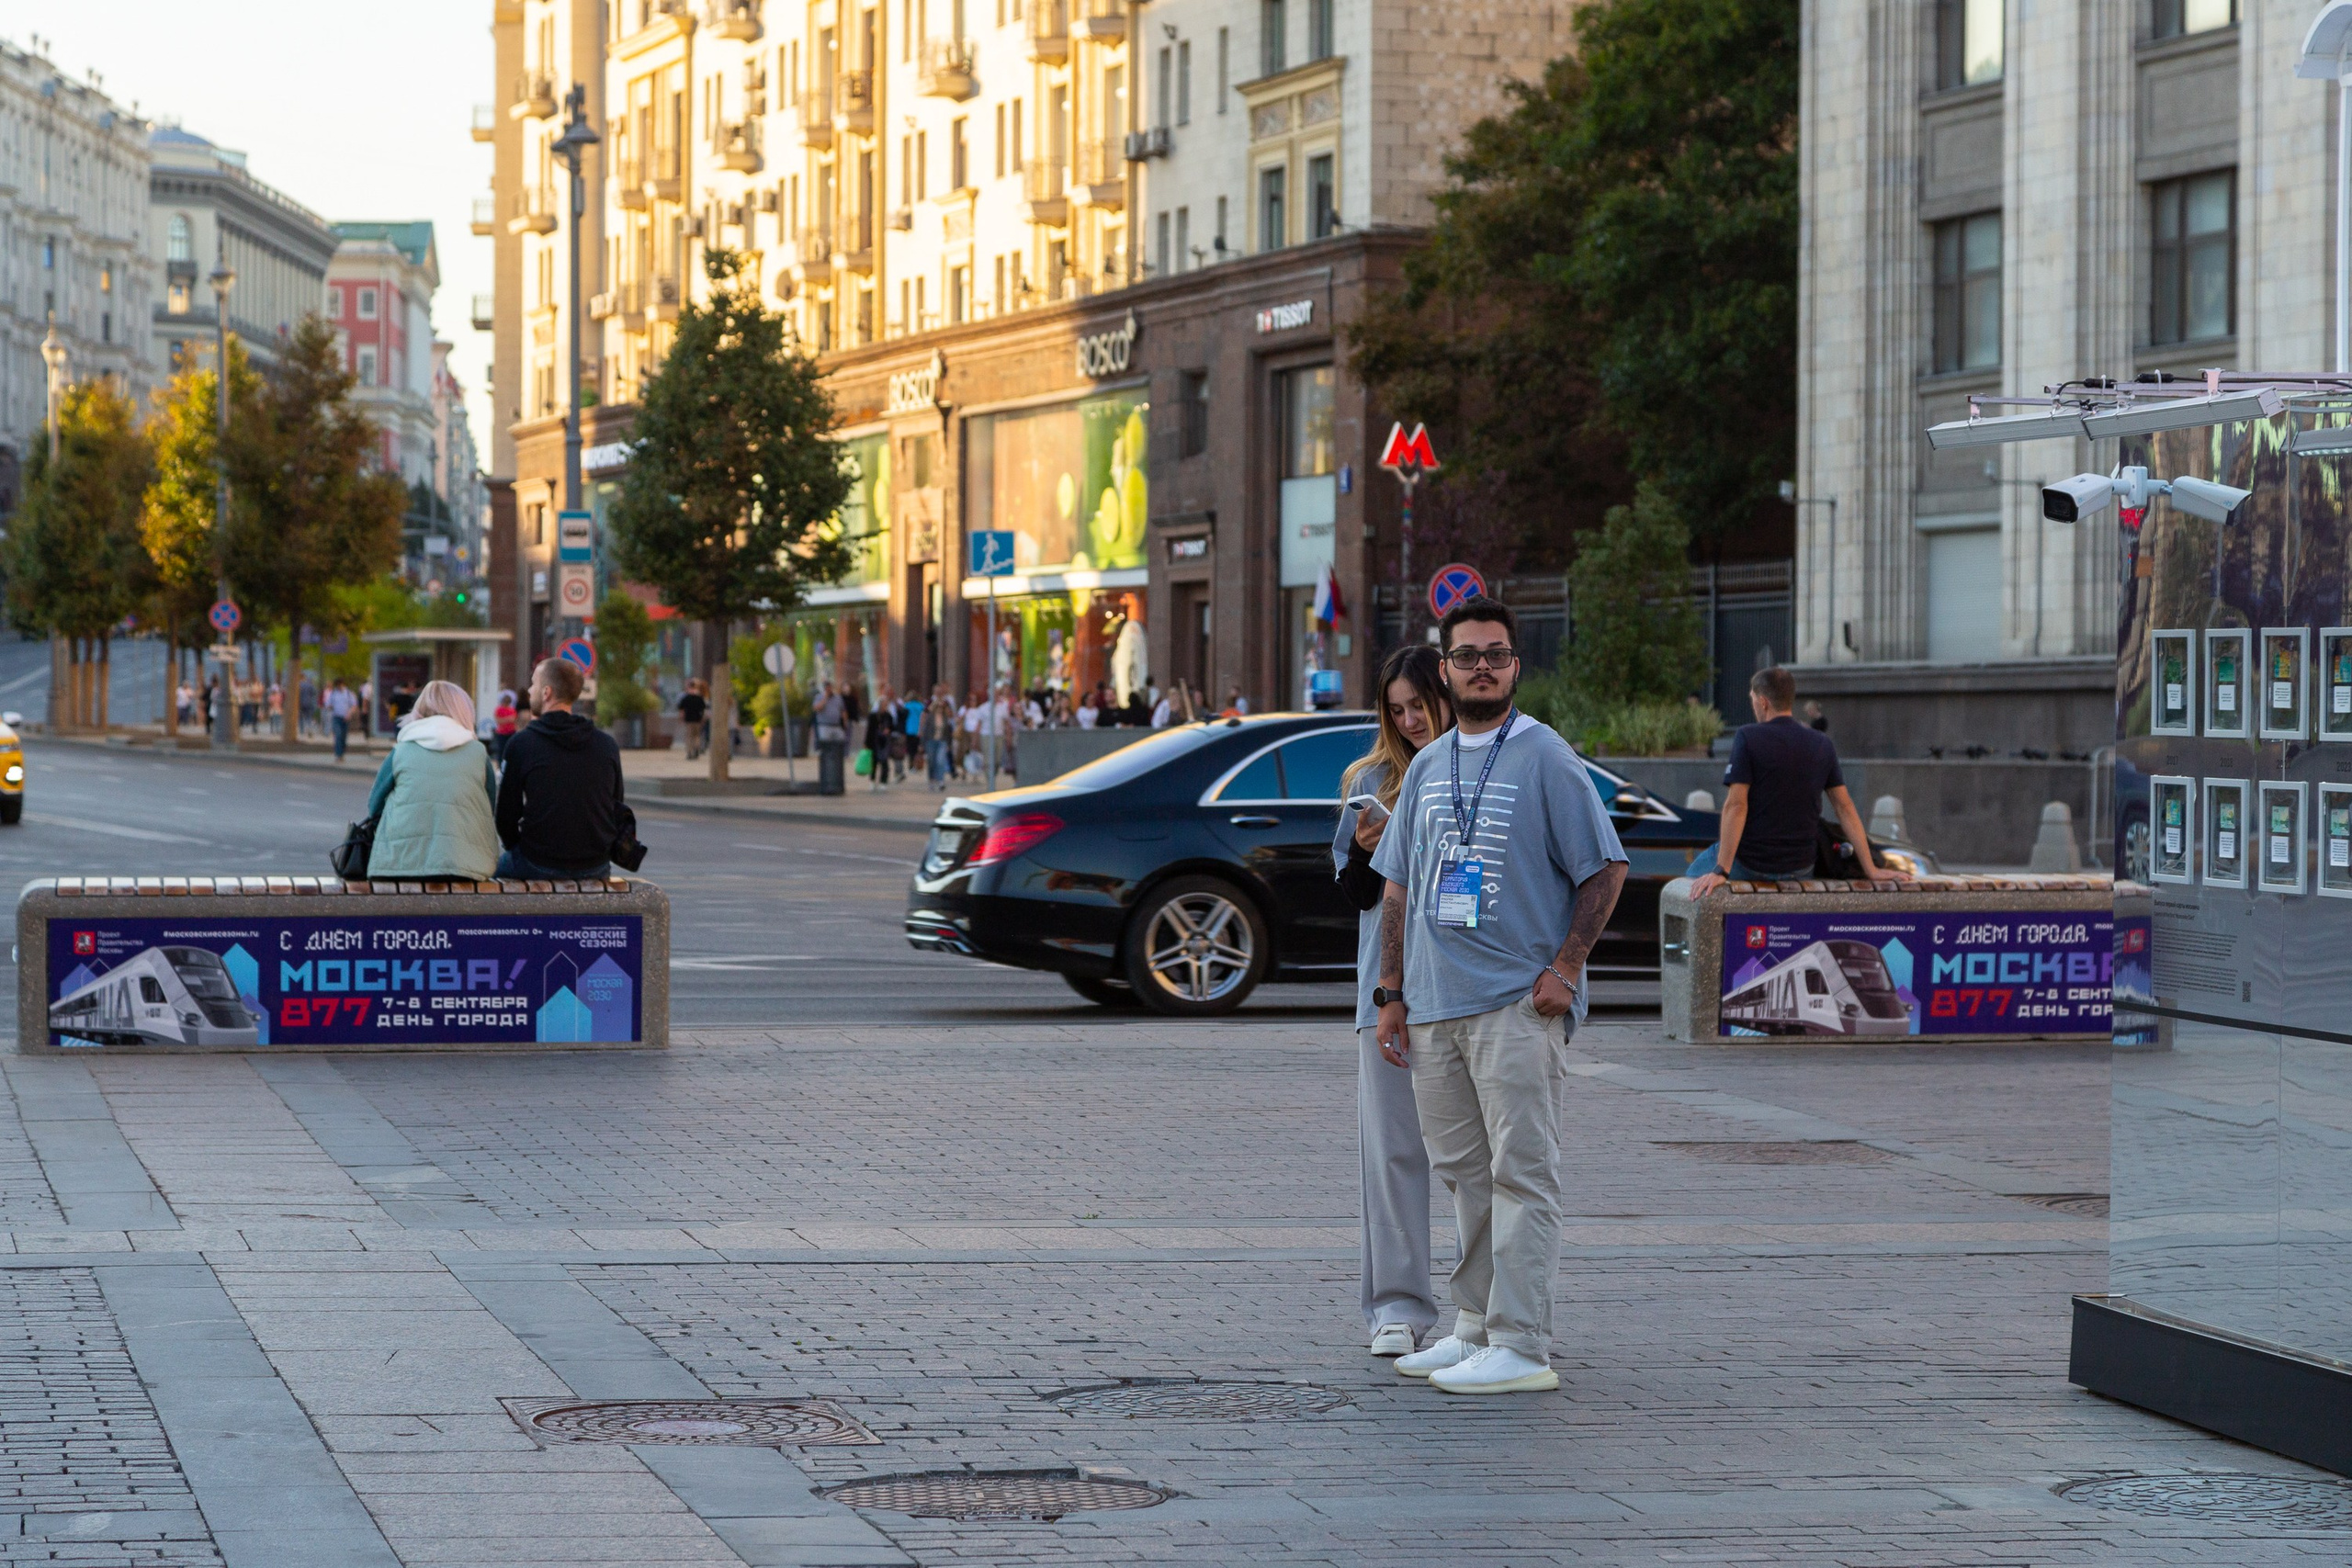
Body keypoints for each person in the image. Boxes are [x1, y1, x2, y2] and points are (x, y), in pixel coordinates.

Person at [1371, 596, 1631, 1396]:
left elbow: (1605, 869)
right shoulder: (1430, 762)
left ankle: (1523, 1341)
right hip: (1436, 1003)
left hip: (1516, 1004)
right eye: (1467, 655)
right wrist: (1391, 992)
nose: (1481, 665)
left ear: (1515, 666)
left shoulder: (1546, 755)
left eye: (1496, 654)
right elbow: (1398, 889)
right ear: (1446, 668)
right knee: (1466, 1174)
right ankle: (1476, 1325)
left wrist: (1567, 968)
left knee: (1523, 1173)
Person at [1335, 645, 1453, 1359]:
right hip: (1386, 987)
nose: (1410, 720)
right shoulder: (1369, 779)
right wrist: (1368, 850)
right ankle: (1396, 1307)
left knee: (1477, 1158)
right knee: (1392, 1153)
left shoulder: (1482, 766)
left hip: (1469, 984)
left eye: (1419, 705)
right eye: (1397, 708)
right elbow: (1352, 896)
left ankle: (1487, 1312)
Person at [1688, 667, 1895, 896]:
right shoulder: (1821, 744)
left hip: (1750, 863)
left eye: (1753, 699)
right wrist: (1871, 869)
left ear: (1763, 702)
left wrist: (1721, 870)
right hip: (1800, 866)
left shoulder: (1748, 737)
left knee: (1690, 882)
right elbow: (1844, 807)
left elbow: (1736, 805)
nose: (1753, 705)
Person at [493, 658, 625, 881]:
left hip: (538, 861)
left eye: (533, 684)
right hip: (595, 865)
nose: (530, 690)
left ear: (546, 693)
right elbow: (617, 805)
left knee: (491, 875)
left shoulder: (522, 744)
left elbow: (505, 816)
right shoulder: (606, 744)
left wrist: (521, 848)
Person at [363, 680, 501, 882]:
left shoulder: (401, 751)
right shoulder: (478, 753)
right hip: (467, 866)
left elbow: (374, 805)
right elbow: (489, 806)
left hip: (398, 864)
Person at [812, 680, 849, 795]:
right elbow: (817, 708)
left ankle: (839, 759)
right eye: (827, 688)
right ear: (824, 688)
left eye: (830, 687)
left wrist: (845, 723)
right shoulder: (819, 697)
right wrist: (825, 698)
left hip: (836, 726)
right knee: (827, 747)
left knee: (839, 744)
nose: (829, 689)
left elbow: (843, 710)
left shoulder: (838, 698)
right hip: (825, 726)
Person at [863, 685, 896, 792]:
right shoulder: (873, 716)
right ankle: (872, 781)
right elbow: (869, 730)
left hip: (884, 742)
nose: (885, 707)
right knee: (874, 762)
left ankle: (883, 782)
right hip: (874, 742)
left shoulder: (888, 716)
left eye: (886, 705)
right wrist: (866, 743)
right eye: (883, 705)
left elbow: (892, 727)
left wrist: (888, 730)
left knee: (884, 762)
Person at [922, 683, 956, 789]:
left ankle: (941, 781)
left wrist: (944, 707)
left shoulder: (946, 703)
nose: (938, 694)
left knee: (940, 760)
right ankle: (932, 779)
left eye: (940, 692)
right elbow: (925, 715)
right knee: (932, 761)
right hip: (931, 738)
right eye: (937, 692)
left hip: (942, 738)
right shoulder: (930, 702)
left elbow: (951, 715)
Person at [324, 679, 359, 762]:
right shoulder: (333, 694)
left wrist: (349, 713)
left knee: (343, 737)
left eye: (340, 685)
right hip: (336, 717)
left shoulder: (349, 694)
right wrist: (330, 707)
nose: (339, 687)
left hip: (346, 718)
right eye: (337, 686)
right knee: (338, 735)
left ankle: (342, 752)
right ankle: (338, 755)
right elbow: (328, 705)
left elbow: (354, 705)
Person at [678, 679, 709, 761]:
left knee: (689, 736)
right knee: (696, 736)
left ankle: (689, 752)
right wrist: (702, 718)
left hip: (688, 720)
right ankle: (696, 749)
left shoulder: (686, 698)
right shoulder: (699, 698)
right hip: (697, 719)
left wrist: (681, 718)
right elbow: (703, 709)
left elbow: (681, 710)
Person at [492, 689, 520, 763]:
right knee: (501, 750)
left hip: (511, 732)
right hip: (502, 733)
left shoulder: (512, 710)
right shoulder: (499, 709)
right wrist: (508, 719)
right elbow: (498, 720)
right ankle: (501, 764)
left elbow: (514, 719)